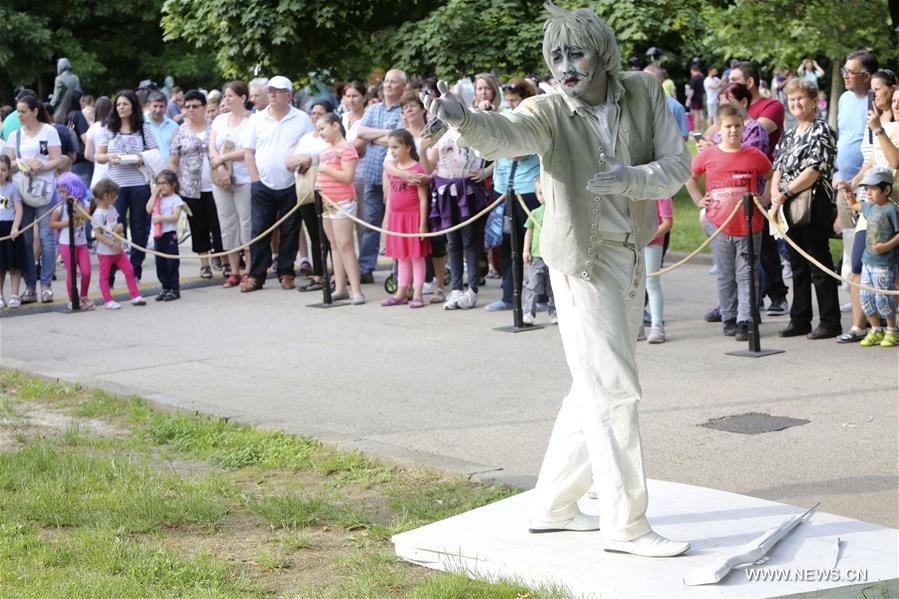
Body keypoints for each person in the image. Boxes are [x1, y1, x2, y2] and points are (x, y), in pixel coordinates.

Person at [422, 1, 691, 556]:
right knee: (614, 386)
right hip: (580, 261)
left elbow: (679, 165)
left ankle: (552, 505)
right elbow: (505, 134)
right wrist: (463, 119)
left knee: (595, 383)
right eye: (556, 55)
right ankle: (626, 524)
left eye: (577, 53)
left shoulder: (643, 91)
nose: (566, 65)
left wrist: (632, 178)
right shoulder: (547, 109)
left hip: (630, 252)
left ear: (603, 54)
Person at [688, 104, 772, 341]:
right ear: (719, 130)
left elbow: (771, 174)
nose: (733, 130)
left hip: (750, 224)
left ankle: (747, 319)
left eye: (737, 126)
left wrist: (764, 198)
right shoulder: (709, 155)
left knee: (747, 273)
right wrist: (697, 199)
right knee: (726, 274)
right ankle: (729, 317)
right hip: (719, 224)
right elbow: (690, 176)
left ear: (744, 127)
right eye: (728, 126)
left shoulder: (754, 155)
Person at [771, 78, 841, 339]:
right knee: (796, 262)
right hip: (787, 205)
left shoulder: (821, 129)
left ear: (814, 102)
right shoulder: (790, 133)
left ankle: (830, 320)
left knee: (817, 260)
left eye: (801, 98)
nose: (796, 103)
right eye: (791, 99)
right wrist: (776, 193)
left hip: (813, 202)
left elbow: (814, 170)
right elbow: (777, 166)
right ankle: (799, 318)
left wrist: (786, 192)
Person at [834, 66, 895, 343]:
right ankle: (862, 326)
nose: (876, 96)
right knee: (858, 263)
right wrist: (854, 182)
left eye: (879, 90)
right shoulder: (875, 123)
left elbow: (894, 162)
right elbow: (871, 161)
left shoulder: (882, 127)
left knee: (888, 268)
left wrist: (878, 129)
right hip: (869, 205)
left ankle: (889, 327)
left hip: (891, 205)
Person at [240, 75, 313, 292]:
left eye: (277, 91)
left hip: (292, 183)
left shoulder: (302, 118)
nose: (271, 94)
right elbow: (248, 152)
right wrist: (255, 180)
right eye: (269, 90)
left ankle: (286, 272)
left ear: (289, 95)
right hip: (262, 183)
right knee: (260, 231)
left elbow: (308, 149)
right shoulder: (257, 118)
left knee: (291, 230)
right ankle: (256, 275)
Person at [728, 61, 790, 317]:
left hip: (762, 184)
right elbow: (716, 134)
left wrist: (725, 135)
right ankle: (750, 299)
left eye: (734, 79)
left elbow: (751, 135)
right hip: (733, 187)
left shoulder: (771, 107)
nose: (729, 83)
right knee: (743, 248)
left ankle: (778, 295)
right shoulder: (733, 110)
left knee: (764, 243)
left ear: (749, 83)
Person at [484, 77, 542, 312]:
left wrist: (495, 138)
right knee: (507, 244)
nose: (511, 106)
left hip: (528, 189)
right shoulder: (505, 116)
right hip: (503, 188)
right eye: (507, 101)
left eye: (515, 101)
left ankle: (542, 296)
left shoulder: (533, 120)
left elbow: (519, 152)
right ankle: (509, 294)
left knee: (534, 247)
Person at [6, 94, 65, 304]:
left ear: (35, 111)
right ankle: (30, 285)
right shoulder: (15, 135)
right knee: (26, 239)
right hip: (22, 190)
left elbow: (57, 159)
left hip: (44, 189)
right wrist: (24, 162)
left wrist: (41, 165)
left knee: (47, 237)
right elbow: (10, 164)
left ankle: (46, 284)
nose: (19, 115)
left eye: (23, 111)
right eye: (17, 111)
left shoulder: (49, 131)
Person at [95, 89, 159, 283]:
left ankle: (135, 270)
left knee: (140, 229)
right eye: (119, 104)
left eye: (125, 104)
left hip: (139, 183)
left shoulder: (143, 128)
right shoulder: (109, 128)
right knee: (114, 227)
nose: (121, 108)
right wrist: (109, 157)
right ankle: (111, 273)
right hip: (116, 186)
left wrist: (142, 158)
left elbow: (155, 151)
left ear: (133, 107)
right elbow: (99, 156)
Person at [355, 69, 406, 284]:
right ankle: (365, 268)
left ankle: (400, 269)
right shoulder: (374, 109)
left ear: (403, 86)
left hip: (396, 178)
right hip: (372, 176)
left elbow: (403, 140)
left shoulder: (404, 110)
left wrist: (374, 136)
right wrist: (386, 135)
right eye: (386, 81)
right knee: (371, 224)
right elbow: (360, 133)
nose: (388, 85)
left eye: (393, 82)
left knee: (396, 223)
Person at [169, 89, 223, 279]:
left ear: (204, 107)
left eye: (195, 106)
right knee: (198, 226)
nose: (191, 110)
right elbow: (174, 160)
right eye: (187, 107)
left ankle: (223, 260)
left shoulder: (215, 127)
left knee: (219, 224)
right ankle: (204, 263)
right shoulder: (180, 131)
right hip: (190, 187)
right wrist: (171, 185)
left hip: (216, 185)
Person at [842, 168, 899, 346]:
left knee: (884, 298)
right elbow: (854, 205)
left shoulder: (891, 209)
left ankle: (891, 330)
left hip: (884, 263)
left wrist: (886, 246)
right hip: (868, 261)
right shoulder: (869, 207)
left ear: (886, 190)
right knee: (866, 297)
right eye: (866, 189)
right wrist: (848, 192)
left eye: (873, 189)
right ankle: (875, 329)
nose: (868, 193)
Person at [316, 113, 364, 304]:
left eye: (322, 128)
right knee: (334, 245)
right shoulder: (325, 151)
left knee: (345, 244)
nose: (320, 133)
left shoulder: (347, 149)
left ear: (335, 125)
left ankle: (357, 290)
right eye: (318, 130)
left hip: (342, 201)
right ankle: (341, 287)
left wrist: (326, 169)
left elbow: (348, 176)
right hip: (326, 202)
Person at [209, 81, 253, 287]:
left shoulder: (252, 121)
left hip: (244, 178)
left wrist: (223, 158)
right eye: (225, 96)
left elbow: (248, 150)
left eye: (230, 96)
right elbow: (212, 147)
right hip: (220, 178)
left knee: (246, 223)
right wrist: (219, 165)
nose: (226, 100)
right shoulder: (219, 120)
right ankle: (233, 270)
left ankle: (250, 270)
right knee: (227, 223)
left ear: (243, 98)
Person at [381, 128, 430, 308]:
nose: (392, 151)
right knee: (401, 257)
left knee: (416, 256)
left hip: (413, 217)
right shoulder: (393, 168)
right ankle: (401, 291)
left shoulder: (417, 168)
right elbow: (390, 196)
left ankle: (417, 292)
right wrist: (387, 219)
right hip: (397, 218)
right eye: (390, 147)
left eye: (395, 147)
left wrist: (422, 224)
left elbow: (423, 198)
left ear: (407, 147)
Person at [288, 100, 331, 290]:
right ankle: (319, 275)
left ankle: (337, 274)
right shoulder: (305, 138)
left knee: (329, 235)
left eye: (320, 113)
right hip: (306, 190)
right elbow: (290, 162)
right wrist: (299, 160)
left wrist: (311, 159)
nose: (315, 117)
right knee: (314, 234)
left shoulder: (331, 137)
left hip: (327, 191)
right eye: (312, 113)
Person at [90, 178, 146, 309]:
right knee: (105, 275)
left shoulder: (112, 209)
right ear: (106, 196)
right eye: (114, 196)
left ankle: (135, 295)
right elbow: (97, 234)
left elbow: (116, 224)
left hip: (118, 249)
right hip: (105, 251)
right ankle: (108, 300)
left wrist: (120, 227)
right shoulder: (98, 214)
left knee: (129, 270)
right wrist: (111, 243)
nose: (117, 198)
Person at [50, 172, 93, 309]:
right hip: (66, 244)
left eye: (64, 191)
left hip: (82, 243)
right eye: (60, 191)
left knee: (86, 271)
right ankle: (72, 299)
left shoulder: (84, 203)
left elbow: (86, 216)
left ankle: (84, 296)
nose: (62, 194)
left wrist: (75, 206)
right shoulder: (59, 207)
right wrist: (65, 223)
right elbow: (52, 224)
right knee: (72, 272)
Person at [521, 177, 555, 325]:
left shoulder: (556, 212)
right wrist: (525, 250)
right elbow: (528, 232)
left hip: (553, 257)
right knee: (533, 285)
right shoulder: (535, 213)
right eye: (540, 193)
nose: (543, 196)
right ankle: (529, 312)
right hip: (537, 256)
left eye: (546, 192)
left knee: (553, 287)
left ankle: (554, 312)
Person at [146, 169, 184, 301]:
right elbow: (148, 209)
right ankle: (165, 286)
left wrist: (161, 218)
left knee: (171, 262)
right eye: (158, 183)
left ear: (173, 184)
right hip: (158, 235)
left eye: (163, 183)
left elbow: (175, 216)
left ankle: (174, 288)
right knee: (160, 262)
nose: (160, 186)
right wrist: (153, 195)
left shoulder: (176, 199)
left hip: (169, 234)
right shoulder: (157, 198)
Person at [0, 155, 24, 308]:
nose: (0, 173)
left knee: (14, 264)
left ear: (8, 171)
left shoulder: (12, 188)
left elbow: (18, 209)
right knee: (0, 266)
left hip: (10, 229)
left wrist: (15, 227)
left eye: (3, 170)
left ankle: (15, 294)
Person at [55, 89, 92, 186]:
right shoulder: (78, 115)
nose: (84, 104)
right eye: (83, 100)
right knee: (82, 192)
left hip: (63, 161)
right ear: (76, 101)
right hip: (80, 160)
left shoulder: (59, 117)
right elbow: (85, 138)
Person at [85, 96, 112, 189]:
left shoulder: (94, 127)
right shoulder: (116, 126)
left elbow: (88, 155)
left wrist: (99, 158)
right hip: (117, 173)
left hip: (99, 172)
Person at [144, 91, 179, 164]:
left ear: (166, 107)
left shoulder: (173, 126)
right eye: (155, 106)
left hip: (168, 171)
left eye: (161, 106)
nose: (158, 110)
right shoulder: (141, 124)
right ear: (148, 106)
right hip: (146, 170)